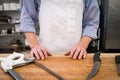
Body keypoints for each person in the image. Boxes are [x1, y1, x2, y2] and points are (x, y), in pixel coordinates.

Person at [20, 0, 100, 60]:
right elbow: (27, 18)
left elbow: (92, 21)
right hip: (44, 55)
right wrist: (35, 45)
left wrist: (82, 45)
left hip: (76, 55)